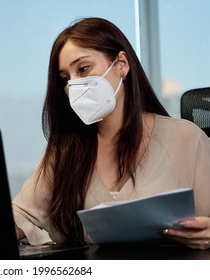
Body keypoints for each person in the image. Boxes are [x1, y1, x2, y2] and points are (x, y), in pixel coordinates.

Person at [12, 17, 210, 250]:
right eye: (65, 78)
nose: (73, 85)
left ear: (122, 64)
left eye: (83, 69)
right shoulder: (65, 151)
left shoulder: (185, 137)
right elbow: (21, 215)